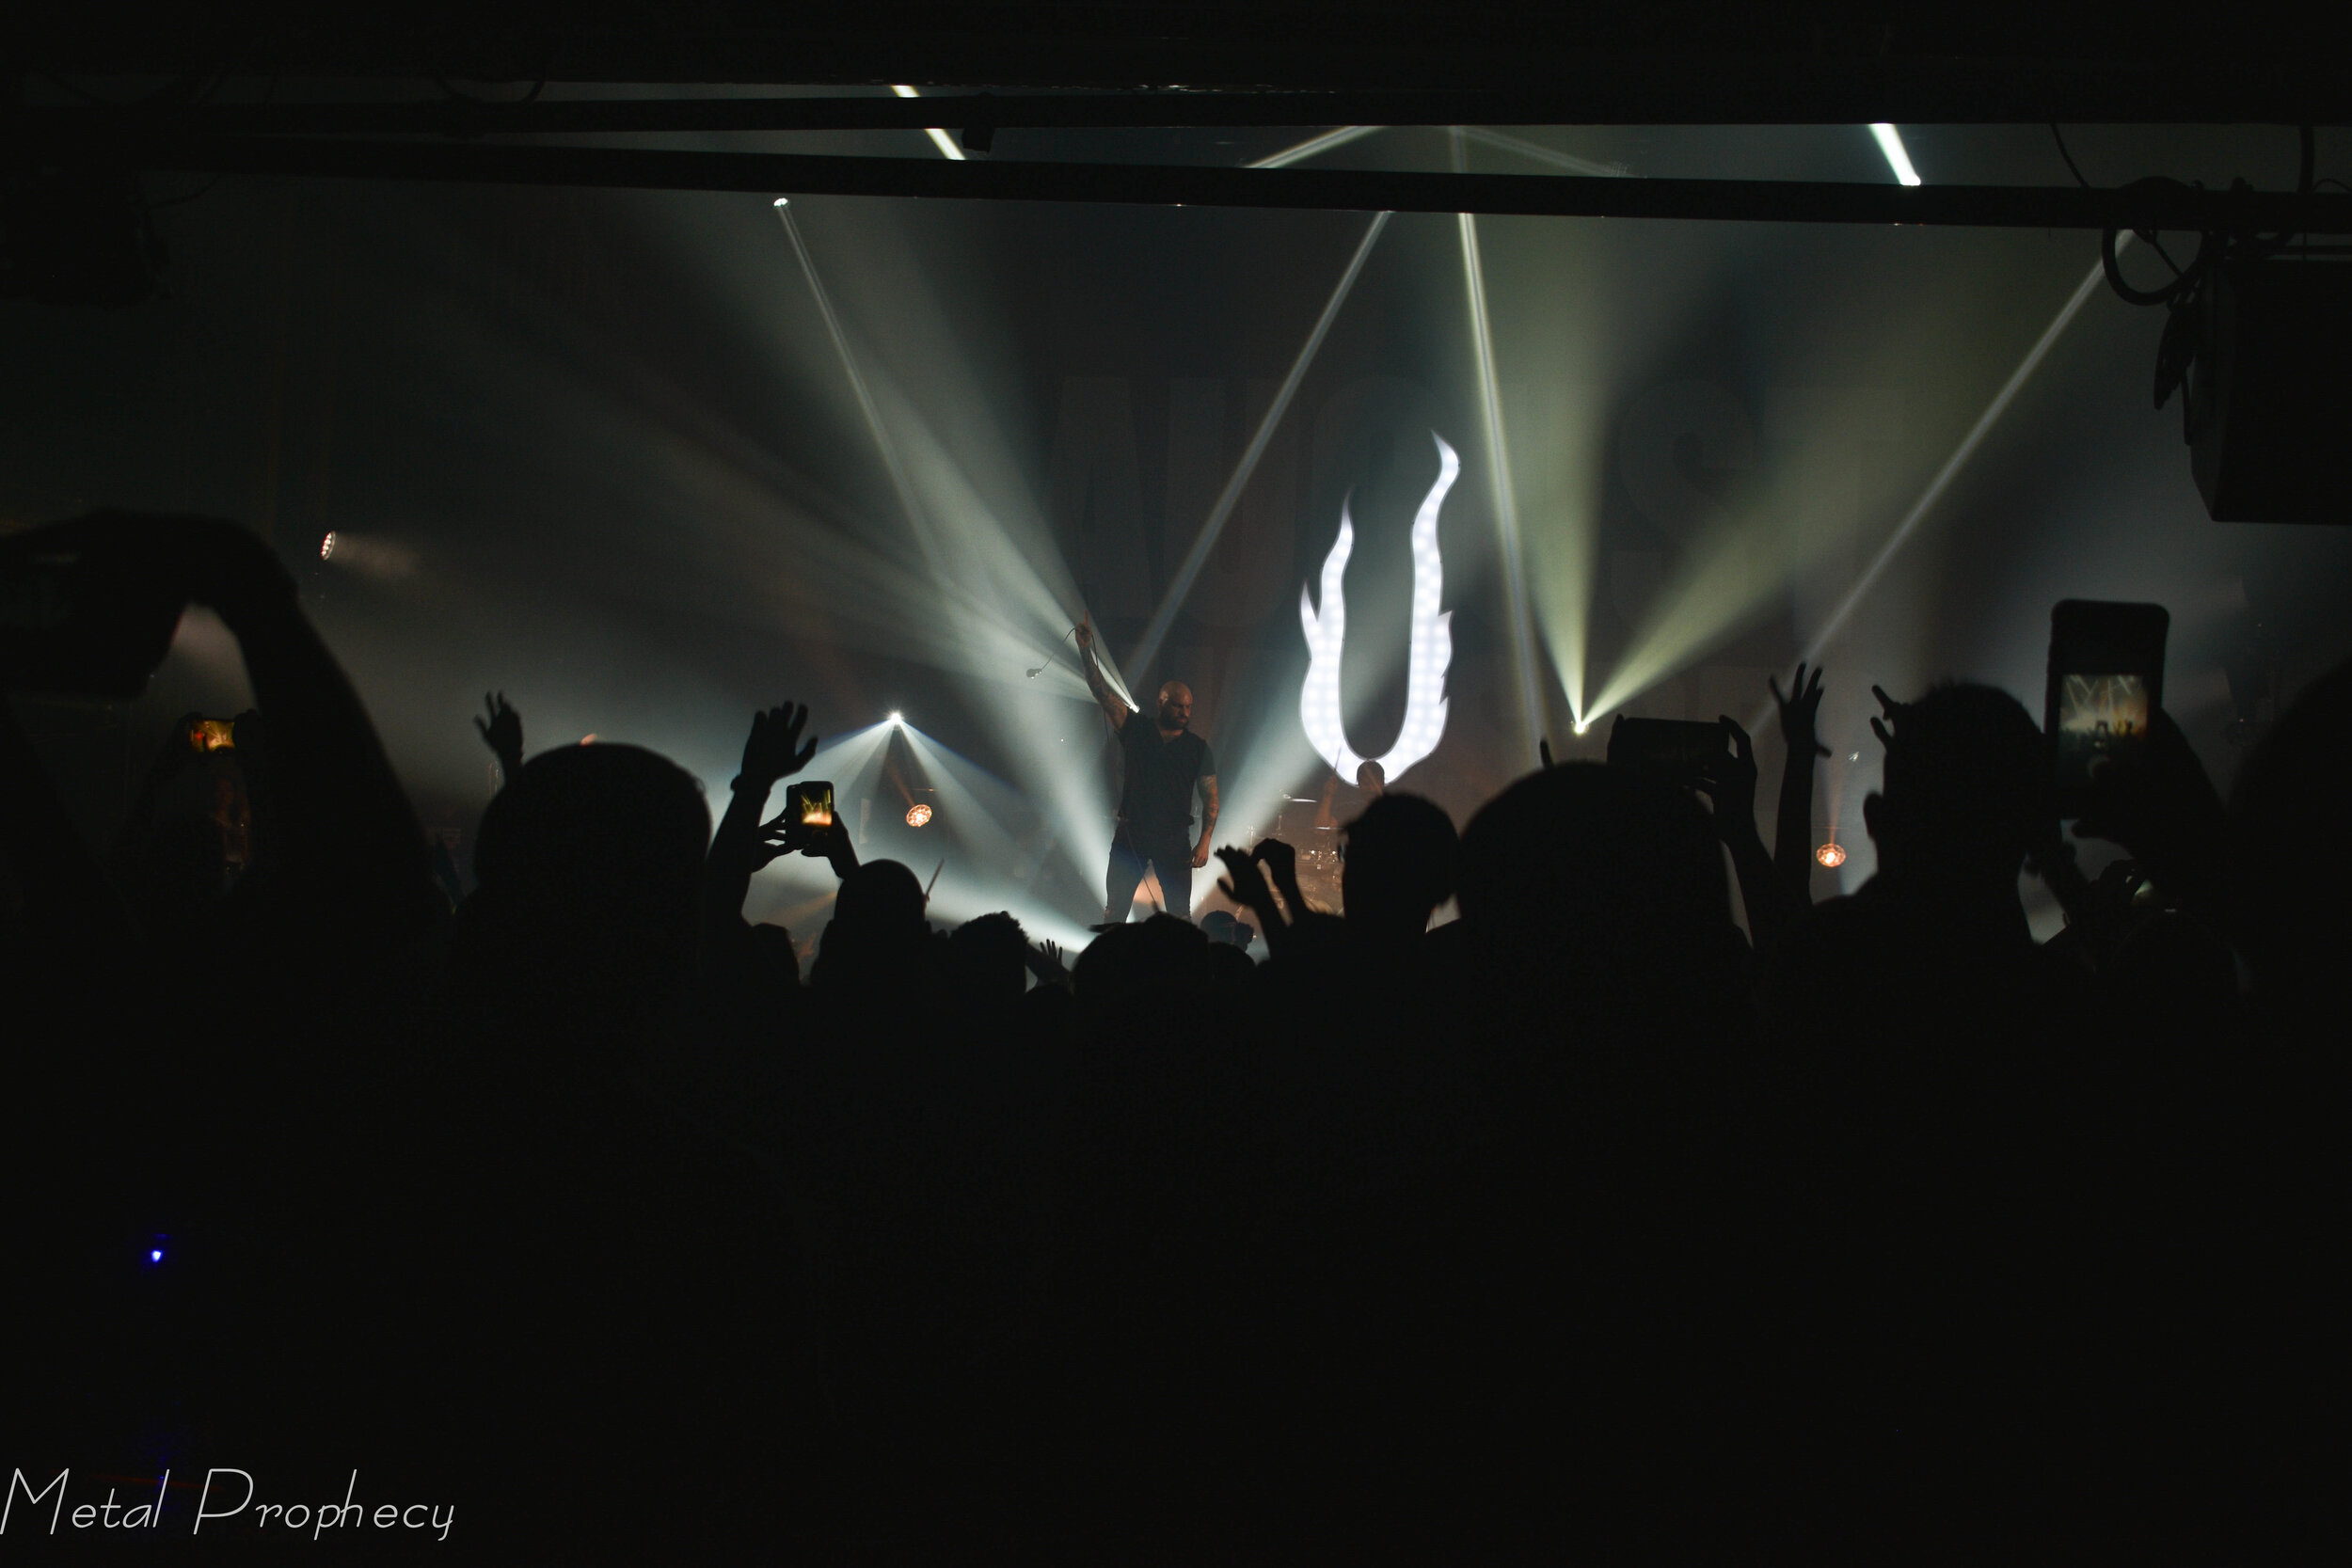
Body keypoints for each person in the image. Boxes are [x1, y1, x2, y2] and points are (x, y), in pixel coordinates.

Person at [1074, 615, 1219, 923]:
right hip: (1132, 831)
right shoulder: (1137, 729)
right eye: (1178, 706)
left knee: (1179, 914)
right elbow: (1101, 692)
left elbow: (1212, 799)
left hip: (1174, 837)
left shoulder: (1197, 747)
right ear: (1161, 703)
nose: (1185, 712)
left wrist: (1205, 839)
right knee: (1115, 910)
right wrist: (1086, 651)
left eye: (1189, 707)